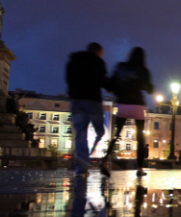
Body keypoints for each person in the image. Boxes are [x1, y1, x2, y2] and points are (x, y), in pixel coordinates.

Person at [101, 47, 155, 177]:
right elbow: (149, 88)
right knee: (141, 138)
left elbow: (111, 84)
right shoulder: (143, 70)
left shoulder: (121, 67)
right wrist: (148, 87)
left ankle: (104, 161)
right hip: (138, 106)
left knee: (116, 135)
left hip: (123, 105)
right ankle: (140, 169)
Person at [66, 42, 111, 177]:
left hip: (77, 101)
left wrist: (73, 93)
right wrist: (113, 87)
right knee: (101, 131)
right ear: (98, 52)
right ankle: (89, 154)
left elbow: (68, 80)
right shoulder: (97, 61)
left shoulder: (73, 61)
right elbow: (101, 80)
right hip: (93, 101)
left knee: (80, 133)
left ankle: (81, 166)